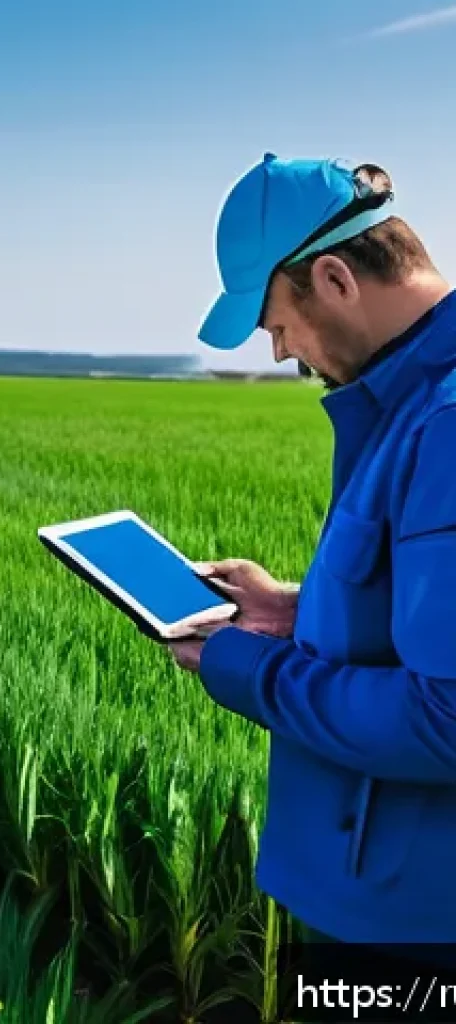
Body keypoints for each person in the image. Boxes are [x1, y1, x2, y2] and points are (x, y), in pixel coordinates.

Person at [169, 153, 456, 963]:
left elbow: (449, 718)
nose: (281, 354)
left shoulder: (445, 419)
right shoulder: (411, 399)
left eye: (276, 325)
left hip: (422, 936)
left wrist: (244, 670)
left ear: (334, 278)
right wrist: (295, 612)